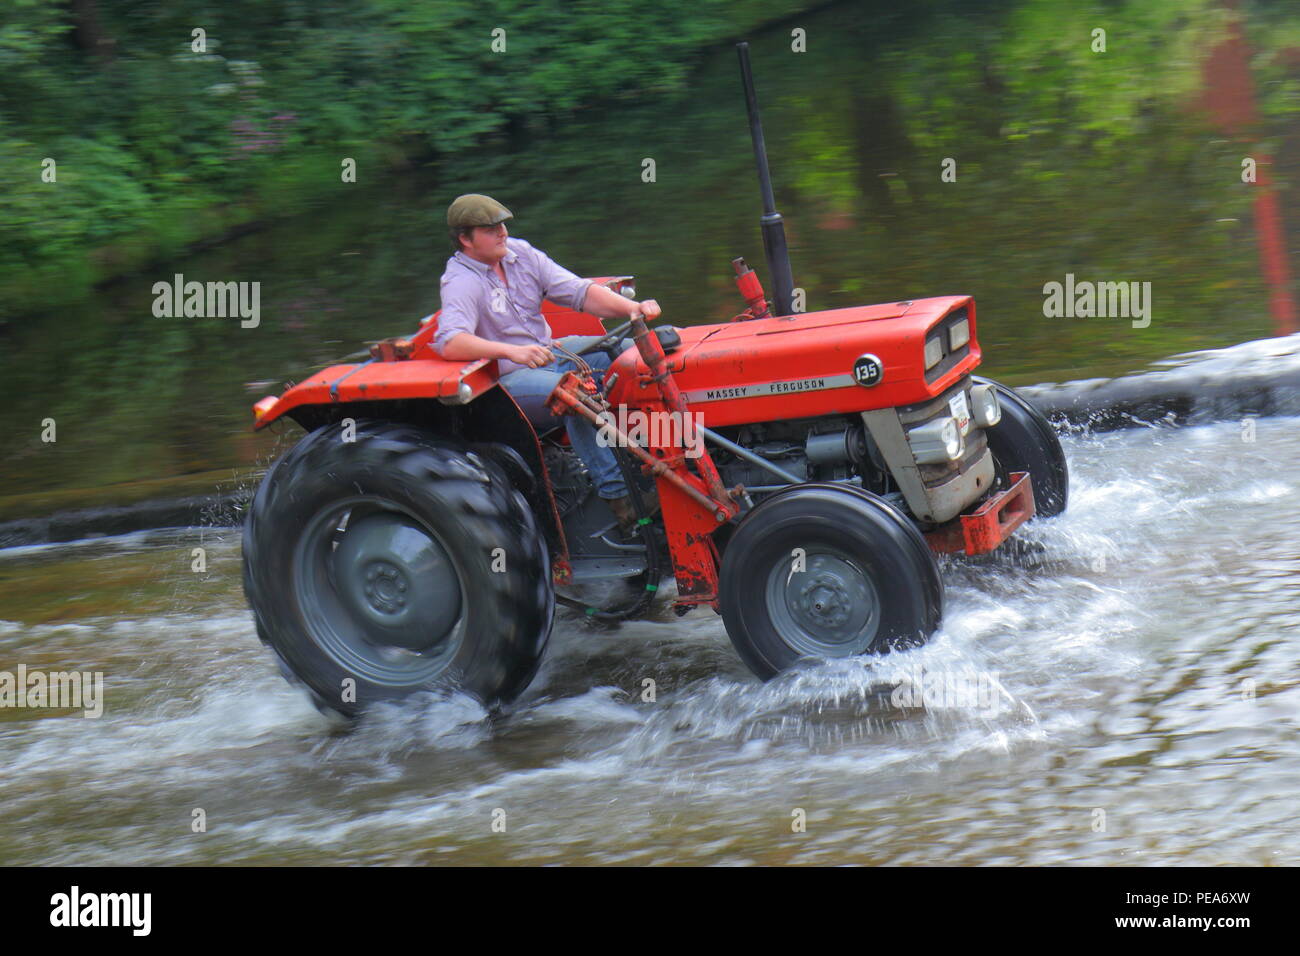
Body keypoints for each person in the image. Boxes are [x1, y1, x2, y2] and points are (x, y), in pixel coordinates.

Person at [433, 193, 661, 533]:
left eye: (502, 226)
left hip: (551, 355)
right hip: (508, 380)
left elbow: (579, 292)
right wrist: (511, 351)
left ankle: (669, 456)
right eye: (490, 229)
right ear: (465, 239)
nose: (502, 233)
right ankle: (623, 502)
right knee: (573, 394)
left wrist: (632, 308)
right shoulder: (460, 281)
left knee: (634, 355)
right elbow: (450, 342)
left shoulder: (521, 254)